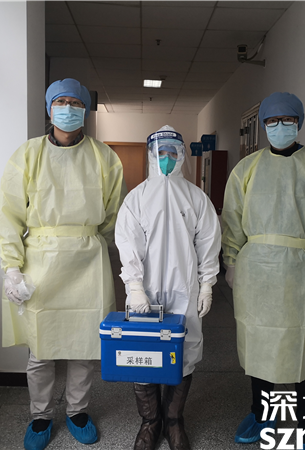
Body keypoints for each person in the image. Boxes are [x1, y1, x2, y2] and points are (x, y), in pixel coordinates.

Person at [0, 78, 126, 450]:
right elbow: (8, 215)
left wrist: (89, 241)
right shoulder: (27, 155)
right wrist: (12, 267)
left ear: (86, 110)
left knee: (85, 346)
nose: (68, 109)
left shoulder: (104, 157)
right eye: (61, 102)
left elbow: (114, 214)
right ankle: (40, 416)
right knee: (41, 348)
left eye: (76, 103)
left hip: (88, 260)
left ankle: (77, 412)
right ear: (49, 108)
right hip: (40, 261)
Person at [221, 92, 305, 450]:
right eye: (272, 121)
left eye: (287, 120)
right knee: (259, 347)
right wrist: (231, 261)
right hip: (255, 272)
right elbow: (232, 218)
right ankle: (261, 414)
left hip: (301, 272)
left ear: (299, 123)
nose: (280, 127)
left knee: (304, 352)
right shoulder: (246, 168)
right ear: (263, 125)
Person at [115, 126, 222, 450]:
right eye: (160, 152)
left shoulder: (196, 198)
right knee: (143, 351)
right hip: (144, 291)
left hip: (184, 289)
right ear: (151, 155)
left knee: (184, 350)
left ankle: (174, 420)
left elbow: (208, 243)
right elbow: (128, 245)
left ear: (181, 156)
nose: (166, 158)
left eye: (172, 152)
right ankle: (150, 422)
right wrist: (135, 286)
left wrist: (207, 284)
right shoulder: (136, 199)